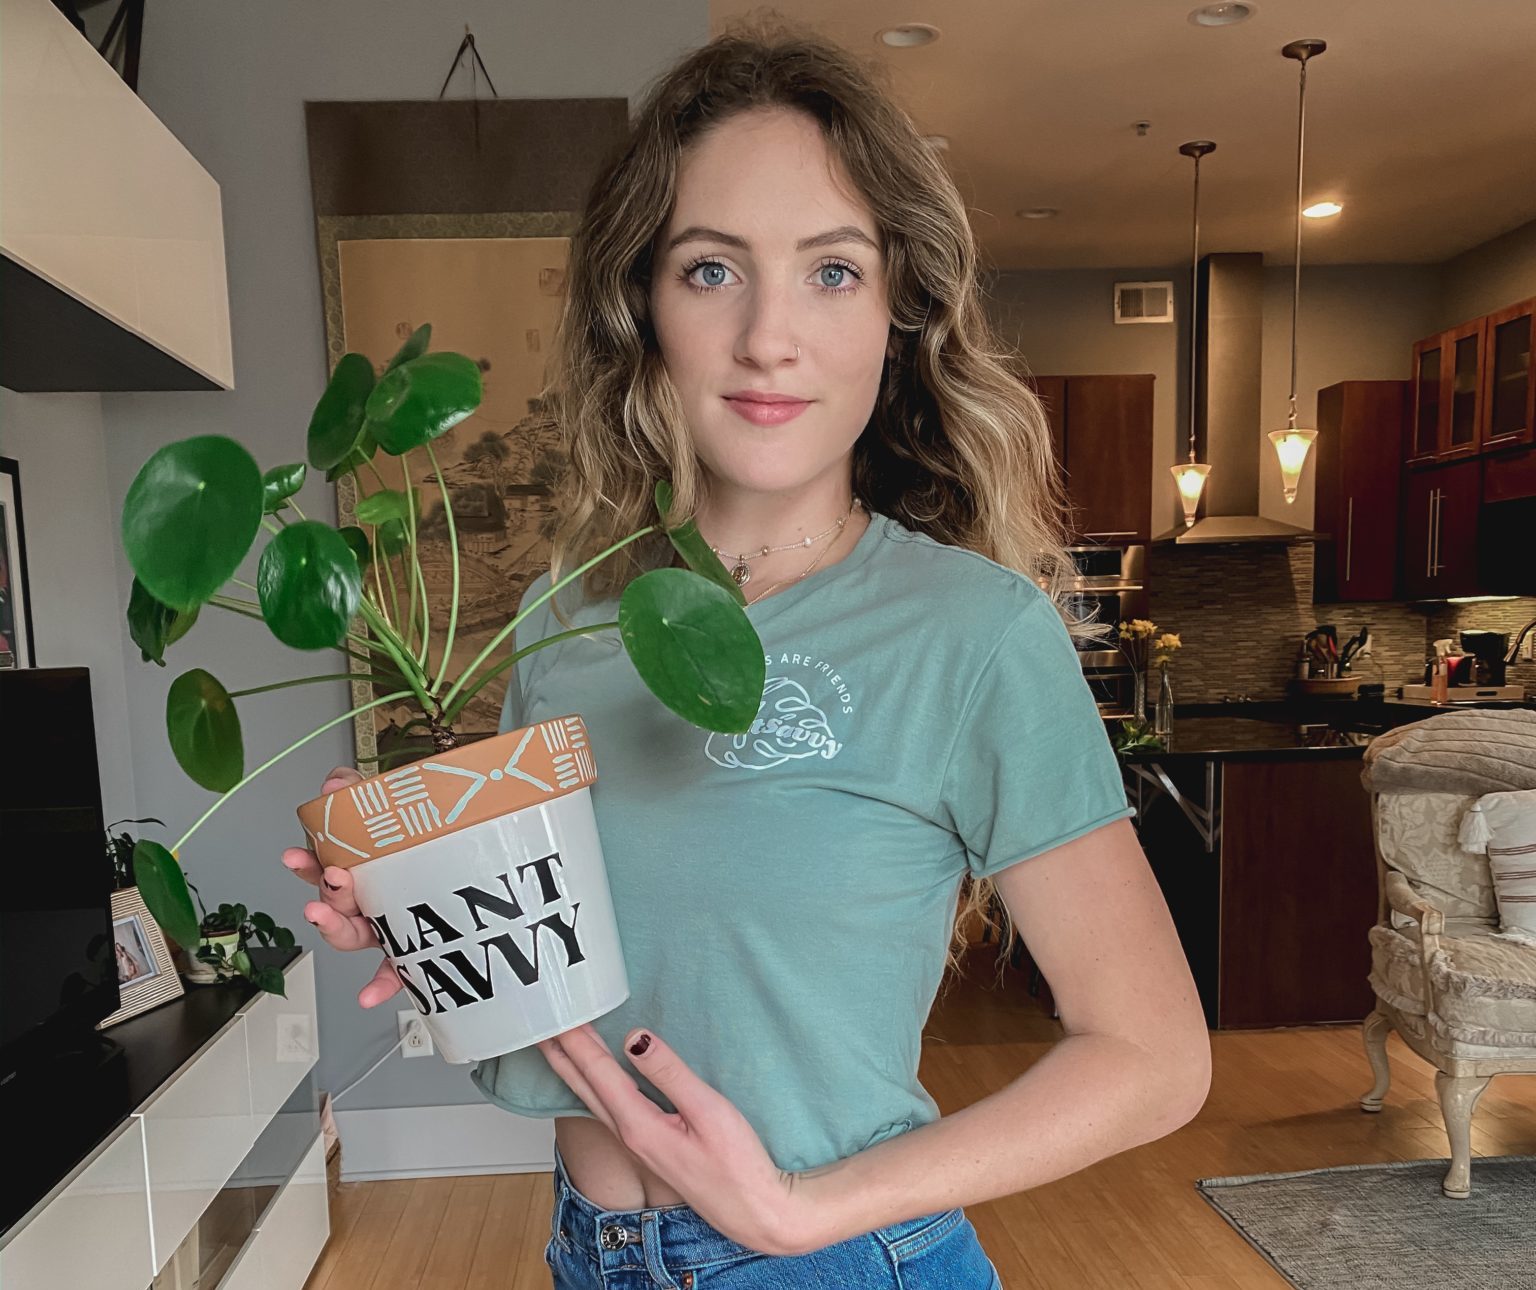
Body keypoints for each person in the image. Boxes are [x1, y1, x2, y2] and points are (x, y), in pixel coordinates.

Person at [284, 21, 1210, 1287]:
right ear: (643, 306)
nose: (770, 337)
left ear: (898, 314)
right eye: (713, 270)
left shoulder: (976, 634)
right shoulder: (565, 617)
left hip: (830, 1261)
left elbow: (1153, 1056)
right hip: (589, 1247)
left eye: (832, 272)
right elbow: (582, 972)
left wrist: (794, 1213)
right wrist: (416, 908)